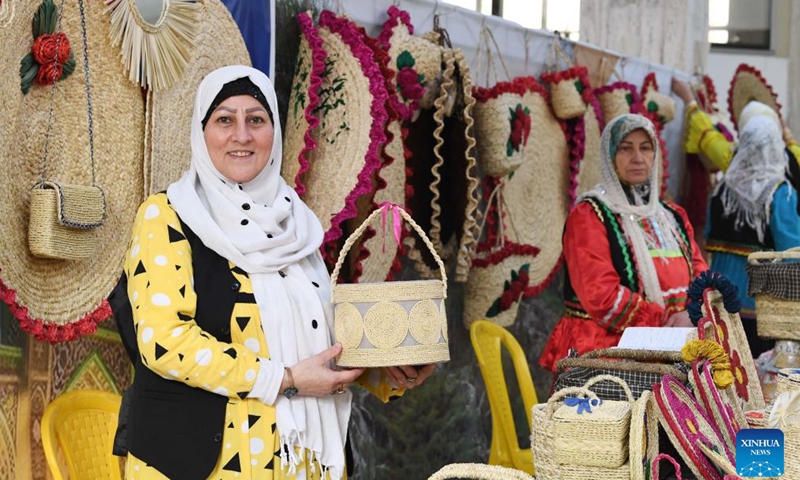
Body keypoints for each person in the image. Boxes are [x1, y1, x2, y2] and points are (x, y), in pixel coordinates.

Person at [113, 65, 436, 480]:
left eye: (256, 120)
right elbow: (164, 342)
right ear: (202, 131)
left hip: (296, 462)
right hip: (197, 464)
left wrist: (388, 369)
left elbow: (318, 338)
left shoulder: (294, 225)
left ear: (274, 132)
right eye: (224, 119)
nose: (241, 135)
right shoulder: (168, 216)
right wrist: (284, 379)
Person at [540, 114, 708, 373]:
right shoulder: (589, 215)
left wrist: (692, 313)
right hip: (607, 353)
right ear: (609, 156)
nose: (637, 158)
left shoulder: (672, 216)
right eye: (625, 148)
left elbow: (701, 275)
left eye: (645, 148)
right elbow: (601, 295)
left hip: (674, 349)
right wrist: (665, 323)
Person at [672, 79, 800, 357]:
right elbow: (793, 254)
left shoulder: (722, 190)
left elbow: (706, 239)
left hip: (718, 302)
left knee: (721, 372)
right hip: (762, 307)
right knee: (757, 382)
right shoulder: (780, 194)